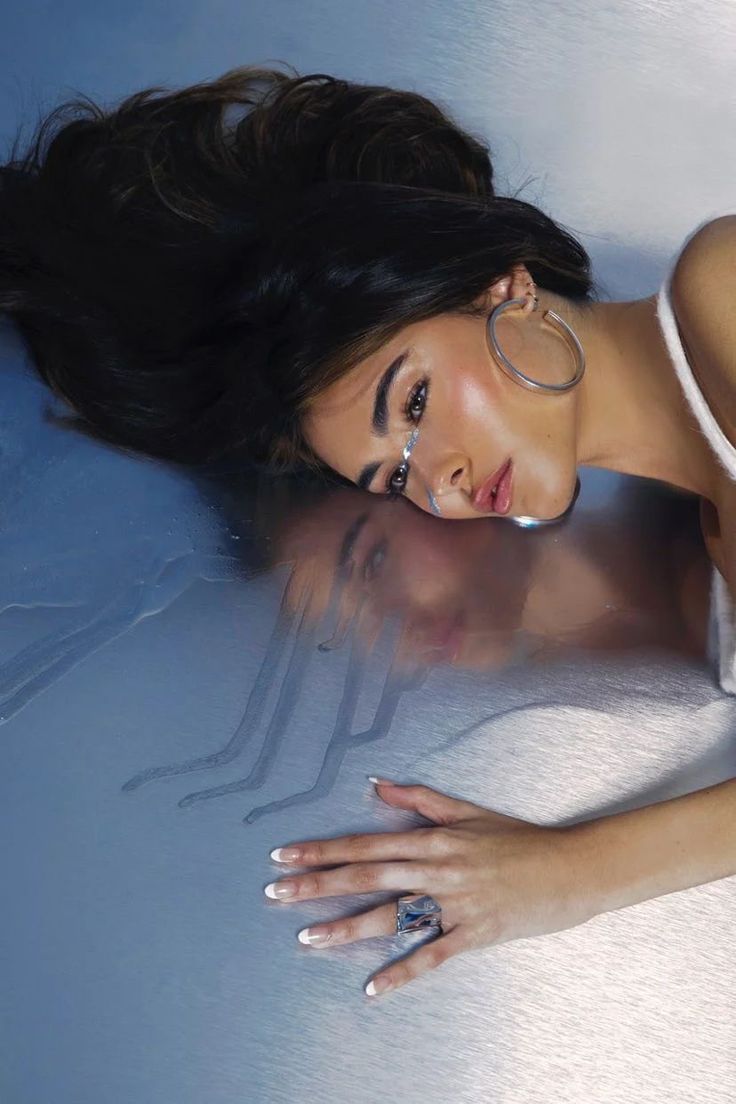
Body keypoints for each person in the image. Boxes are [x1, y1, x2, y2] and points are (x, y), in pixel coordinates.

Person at [3, 65, 736, 998]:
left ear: (500, 282)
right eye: (394, 476)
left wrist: (571, 873)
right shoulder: (697, 524)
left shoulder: (725, 287)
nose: (444, 480)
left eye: (417, 399)